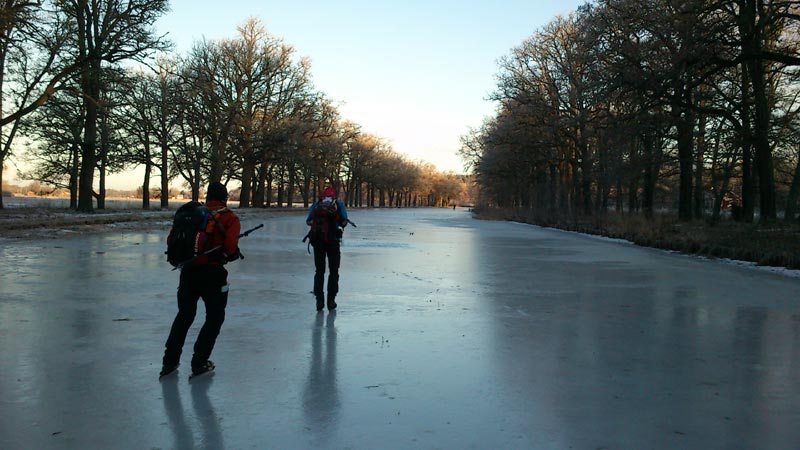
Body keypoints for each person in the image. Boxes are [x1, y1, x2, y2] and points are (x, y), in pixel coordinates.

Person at [160, 181, 242, 379]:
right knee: (214, 318)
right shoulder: (229, 218)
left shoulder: (191, 216)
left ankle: (169, 362)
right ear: (225, 198)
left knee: (184, 316)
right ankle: (199, 362)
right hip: (213, 275)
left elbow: (171, 241)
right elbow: (230, 249)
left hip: (188, 272)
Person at [306, 186, 348, 312]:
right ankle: (331, 301)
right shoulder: (338, 204)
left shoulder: (316, 204)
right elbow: (344, 222)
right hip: (333, 242)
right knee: (334, 271)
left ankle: (319, 300)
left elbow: (308, 221)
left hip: (317, 241)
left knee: (319, 271)